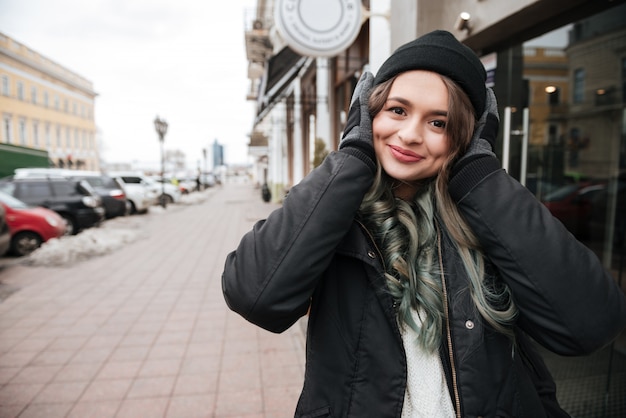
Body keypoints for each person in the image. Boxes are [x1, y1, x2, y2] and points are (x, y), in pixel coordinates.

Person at [222, 30, 626, 417]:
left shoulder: (493, 214)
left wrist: (479, 174)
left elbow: (590, 324)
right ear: (369, 114)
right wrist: (353, 157)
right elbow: (255, 296)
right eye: (397, 110)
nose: (411, 134)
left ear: (464, 138)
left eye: (439, 123)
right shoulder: (330, 207)